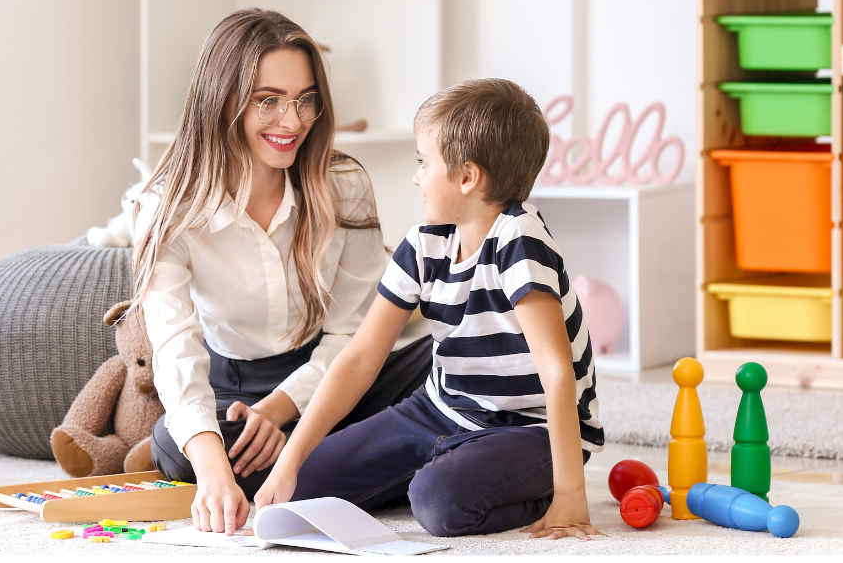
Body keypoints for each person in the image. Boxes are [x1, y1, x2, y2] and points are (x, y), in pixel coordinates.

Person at [256, 78, 604, 540]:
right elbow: (360, 359)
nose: (416, 176)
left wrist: (571, 496)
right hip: (439, 410)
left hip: (530, 427)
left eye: (424, 162)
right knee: (301, 489)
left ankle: (497, 483)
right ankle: (441, 470)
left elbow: (557, 374)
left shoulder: (520, 241)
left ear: (467, 177)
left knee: (440, 507)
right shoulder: (423, 244)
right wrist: (289, 462)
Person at [131, 9, 432, 533]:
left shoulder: (343, 184)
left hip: (340, 376)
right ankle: (386, 464)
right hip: (235, 390)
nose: (291, 122)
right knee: (178, 449)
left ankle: (325, 466)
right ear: (221, 99)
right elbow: (175, 347)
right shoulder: (167, 206)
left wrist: (283, 407)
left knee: (449, 360)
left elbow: (353, 335)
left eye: (305, 99)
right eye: (267, 100)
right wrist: (212, 473)